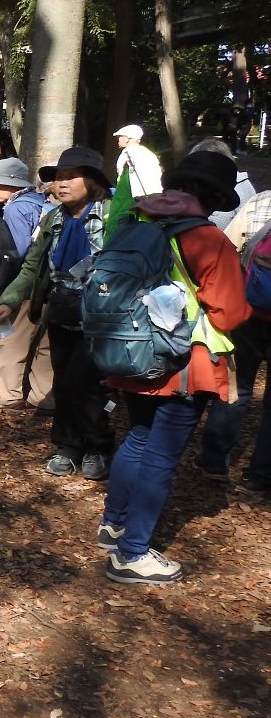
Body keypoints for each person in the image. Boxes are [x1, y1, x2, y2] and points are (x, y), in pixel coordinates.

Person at [101, 150, 250, 584]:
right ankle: (132, 554)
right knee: (161, 456)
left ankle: (114, 525)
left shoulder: (137, 223)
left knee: (137, 438)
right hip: (186, 363)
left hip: (133, 352)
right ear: (214, 197)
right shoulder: (208, 239)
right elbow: (229, 312)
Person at [0, 147, 113, 478]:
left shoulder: (112, 216)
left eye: (71, 177)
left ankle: (97, 446)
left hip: (99, 315)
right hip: (60, 309)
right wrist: (10, 300)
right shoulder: (54, 219)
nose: (63, 184)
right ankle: (68, 446)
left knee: (89, 384)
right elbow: (33, 265)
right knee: (64, 381)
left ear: (93, 181)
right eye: (58, 178)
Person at [192, 177, 271, 491]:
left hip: (249, 314)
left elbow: (228, 246)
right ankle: (260, 475)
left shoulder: (260, 202)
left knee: (237, 390)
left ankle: (214, 461)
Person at [0, 157, 53, 411]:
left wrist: (3, 288)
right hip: (50, 284)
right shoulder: (44, 204)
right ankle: (44, 397)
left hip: (22, 285)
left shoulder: (15, 209)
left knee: (12, 338)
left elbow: (16, 252)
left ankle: (6, 395)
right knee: (45, 344)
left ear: (13, 184)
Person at [112, 124, 163, 198]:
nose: (118, 141)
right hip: (157, 193)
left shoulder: (126, 153)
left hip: (139, 196)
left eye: (119, 137)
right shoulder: (148, 153)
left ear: (126, 139)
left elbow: (121, 177)